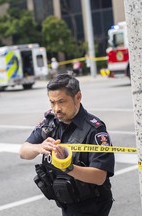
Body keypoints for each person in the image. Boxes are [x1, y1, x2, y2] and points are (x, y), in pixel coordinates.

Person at [19, 74, 114, 216]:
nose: (56, 109)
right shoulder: (50, 123)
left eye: (61, 102)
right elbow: (23, 151)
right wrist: (39, 147)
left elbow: (99, 177)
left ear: (78, 97)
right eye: (52, 102)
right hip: (67, 203)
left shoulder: (94, 129)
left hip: (93, 206)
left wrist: (66, 166)